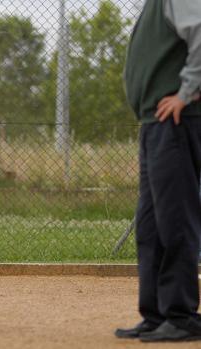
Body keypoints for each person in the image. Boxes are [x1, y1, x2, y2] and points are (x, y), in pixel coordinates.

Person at [115, 0, 201, 342]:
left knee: (176, 220)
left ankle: (181, 316)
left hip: (175, 121)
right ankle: (155, 314)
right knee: (150, 225)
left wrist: (186, 92)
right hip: (154, 123)